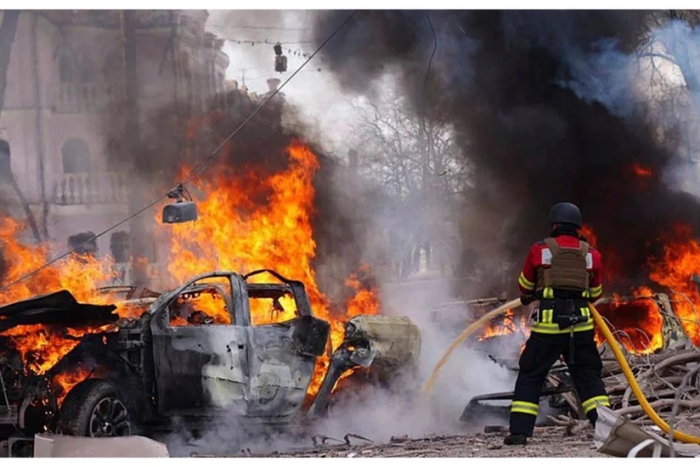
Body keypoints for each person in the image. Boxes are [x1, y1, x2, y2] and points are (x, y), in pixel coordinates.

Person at [504, 202, 609, 446]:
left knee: (531, 375)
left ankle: (520, 432)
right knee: (588, 378)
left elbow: (525, 285)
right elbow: (596, 293)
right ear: (578, 226)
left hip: (548, 330)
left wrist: (537, 291)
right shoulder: (591, 254)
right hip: (580, 329)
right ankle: (606, 430)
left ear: (554, 225)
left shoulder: (540, 249)